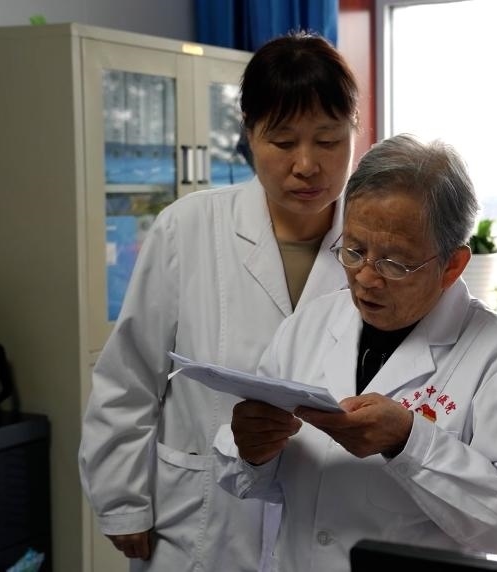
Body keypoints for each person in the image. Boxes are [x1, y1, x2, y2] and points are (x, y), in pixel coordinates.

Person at [213, 134, 497, 572]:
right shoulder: (310, 324)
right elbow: (248, 479)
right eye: (354, 251)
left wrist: (409, 442)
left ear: (452, 265)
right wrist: (251, 449)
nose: (365, 278)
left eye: (394, 263)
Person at [78, 31, 359, 571]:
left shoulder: (376, 245)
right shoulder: (188, 227)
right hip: (200, 521)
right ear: (249, 135)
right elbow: (129, 377)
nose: (306, 164)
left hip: (328, 521)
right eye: (283, 142)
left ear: (354, 131)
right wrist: (122, 501)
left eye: (328, 140)